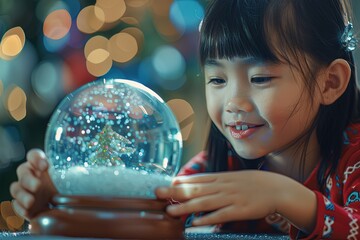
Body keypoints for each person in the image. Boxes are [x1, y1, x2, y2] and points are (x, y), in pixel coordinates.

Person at [9, 0, 360, 239]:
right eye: (217, 80)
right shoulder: (213, 168)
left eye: (260, 79)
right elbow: (145, 215)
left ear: (330, 83)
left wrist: (286, 197)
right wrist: (56, 201)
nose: (233, 102)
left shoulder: (353, 158)